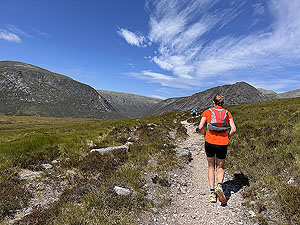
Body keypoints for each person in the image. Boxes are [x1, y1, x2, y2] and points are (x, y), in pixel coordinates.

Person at [198, 95, 236, 203]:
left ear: (213, 102)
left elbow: (200, 127)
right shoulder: (227, 113)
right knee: (220, 167)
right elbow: (233, 129)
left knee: (211, 167)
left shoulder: (207, 112)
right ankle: (220, 185)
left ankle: (212, 194)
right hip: (223, 143)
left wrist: (205, 134)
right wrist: (227, 136)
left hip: (209, 142)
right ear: (223, 103)